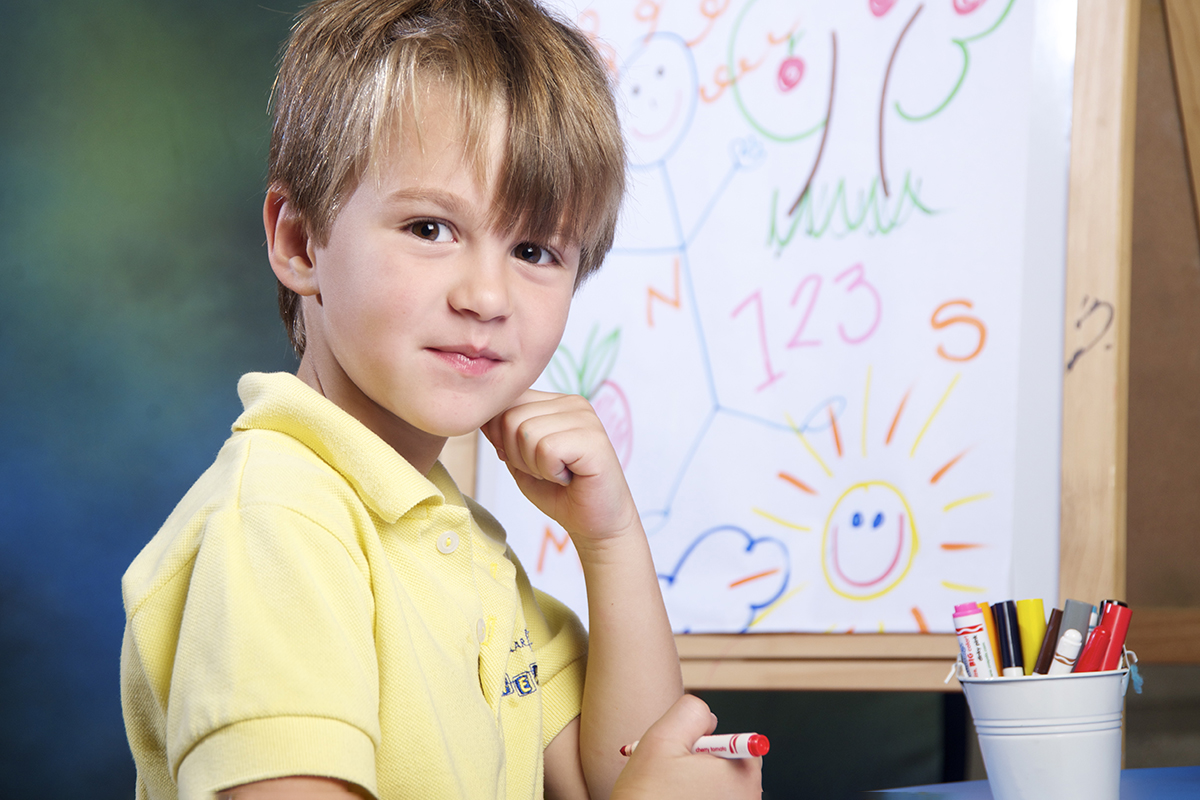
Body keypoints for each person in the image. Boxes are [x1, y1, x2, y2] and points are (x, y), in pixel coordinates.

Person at [119, 1, 761, 798]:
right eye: (430, 229)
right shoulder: (281, 525)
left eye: (533, 249)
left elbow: (619, 769)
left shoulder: (451, 536)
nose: (488, 296)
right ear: (299, 241)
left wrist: (611, 538)